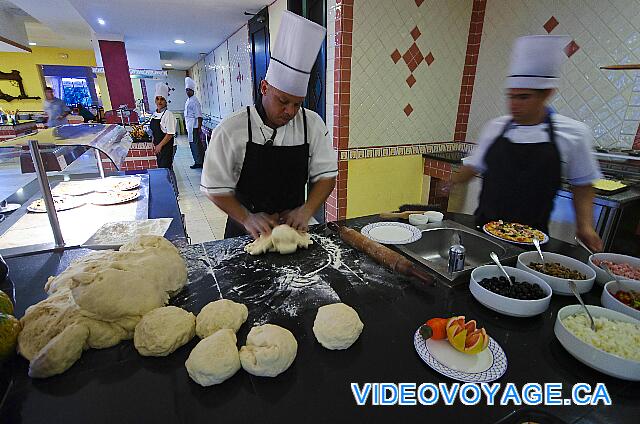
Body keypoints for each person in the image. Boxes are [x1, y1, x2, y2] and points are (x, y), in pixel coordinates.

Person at [451, 35, 603, 252]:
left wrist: (585, 226)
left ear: (547, 94)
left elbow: (583, 184)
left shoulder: (573, 134)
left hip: (533, 240)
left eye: (523, 97)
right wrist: (454, 180)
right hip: (483, 230)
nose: (513, 105)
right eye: (510, 96)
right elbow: (474, 166)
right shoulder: (495, 128)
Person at [200, 11, 337, 239]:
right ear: (264, 88)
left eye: (297, 104)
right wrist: (246, 217)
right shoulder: (232, 129)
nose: (290, 112)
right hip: (244, 233)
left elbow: (326, 176)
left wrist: (306, 210)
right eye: (283, 101)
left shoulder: (311, 124)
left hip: (292, 232)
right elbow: (214, 186)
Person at [150, 82, 176, 172]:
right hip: (159, 146)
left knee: (166, 170)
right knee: (162, 169)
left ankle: (172, 186)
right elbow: (154, 130)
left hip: (167, 146)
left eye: (162, 99)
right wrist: (154, 141)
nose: (159, 101)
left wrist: (159, 146)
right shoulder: (155, 114)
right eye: (157, 99)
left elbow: (170, 133)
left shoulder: (168, 114)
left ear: (165, 101)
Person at [184, 77, 204, 169]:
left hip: (194, 127)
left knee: (196, 145)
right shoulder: (189, 100)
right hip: (190, 126)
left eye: (189, 90)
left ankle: (199, 162)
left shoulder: (194, 101)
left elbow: (199, 116)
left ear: (192, 91)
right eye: (186, 90)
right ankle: (198, 160)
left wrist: (199, 128)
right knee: (193, 144)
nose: (187, 92)